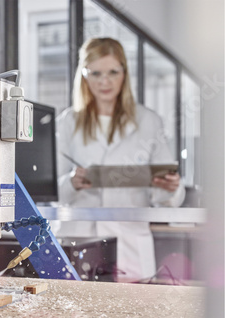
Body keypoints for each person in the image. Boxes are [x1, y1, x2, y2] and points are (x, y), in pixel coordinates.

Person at [56, 37, 185, 281]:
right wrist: (71, 182)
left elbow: (167, 198)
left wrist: (170, 188)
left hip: (131, 248)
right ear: (84, 75)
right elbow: (50, 192)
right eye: (95, 73)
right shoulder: (66, 123)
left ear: (124, 73)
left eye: (113, 72)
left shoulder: (149, 122)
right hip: (80, 244)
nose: (105, 82)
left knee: (135, 317)